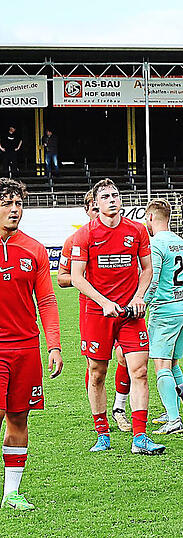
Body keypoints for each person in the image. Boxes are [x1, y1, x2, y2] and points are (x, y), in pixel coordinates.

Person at [70, 179, 163, 455]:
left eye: (116, 195)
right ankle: (102, 433)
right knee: (97, 373)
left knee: (140, 370)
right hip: (97, 314)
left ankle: (140, 436)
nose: (112, 200)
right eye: (106, 197)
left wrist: (139, 296)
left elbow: (146, 269)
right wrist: (103, 301)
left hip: (130, 314)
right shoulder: (84, 235)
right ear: (95, 204)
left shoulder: (136, 231)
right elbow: (76, 277)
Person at [0, 178, 63, 511]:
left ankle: (11, 493)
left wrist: (54, 344)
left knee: (18, 419)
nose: (14, 209)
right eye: (7, 203)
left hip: (26, 349)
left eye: (18, 203)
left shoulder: (35, 249)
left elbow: (48, 300)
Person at [58, 190, 133, 433]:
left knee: (126, 359)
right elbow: (61, 278)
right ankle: (100, 422)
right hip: (93, 310)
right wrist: (87, 280)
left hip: (122, 307)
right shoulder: (76, 240)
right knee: (96, 369)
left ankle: (119, 409)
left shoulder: (123, 233)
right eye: (93, 208)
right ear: (89, 210)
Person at [143, 199, 183, 435]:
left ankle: (174, 420)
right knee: (173, 363)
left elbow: (153, 279)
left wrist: (143, 303)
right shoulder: (180, 242)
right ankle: (174, 410)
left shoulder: (156, 245)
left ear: (150, 217)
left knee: (161, 364)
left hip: (166, 309)